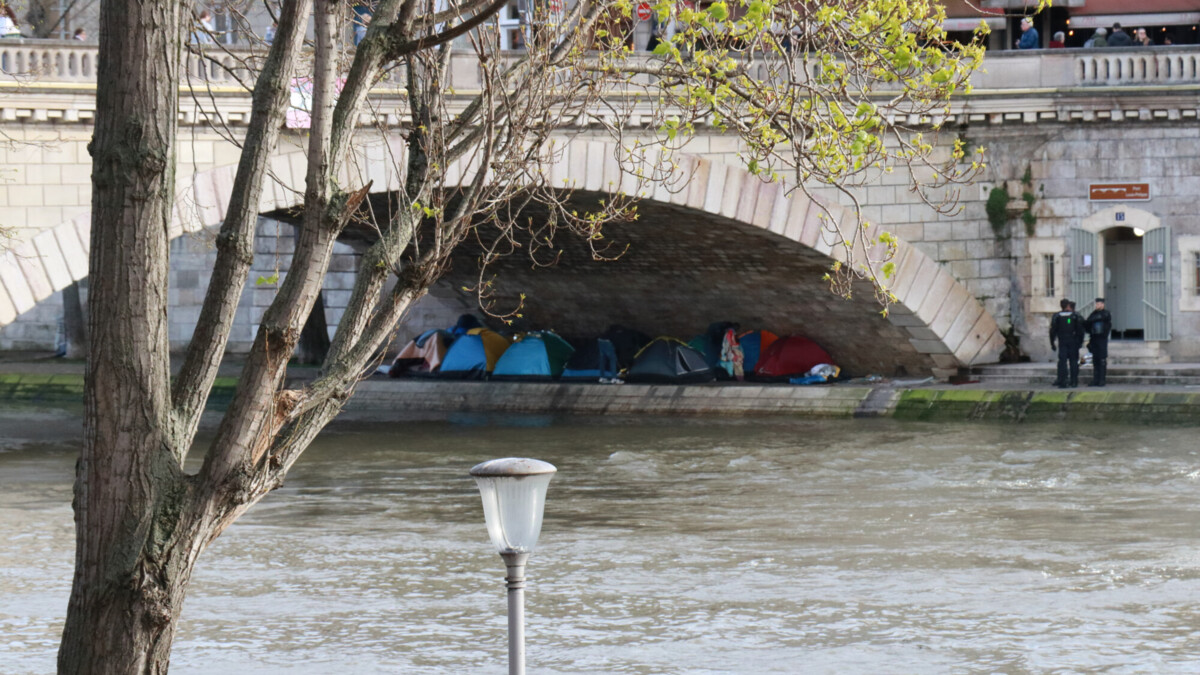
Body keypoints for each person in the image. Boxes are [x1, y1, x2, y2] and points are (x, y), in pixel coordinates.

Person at [1049, 298, 1085, 388]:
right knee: (1073, 361)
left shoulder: (1057, 316)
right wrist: (1080, 341)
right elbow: (1080, 329)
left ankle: (1063, 381)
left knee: (1062, 362)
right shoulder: (1074, 316)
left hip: (1063, 341)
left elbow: (1052, 330)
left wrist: (1052, 342)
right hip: (1073, 341)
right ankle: (1074, 381)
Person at [1085, 298, 1112, 387]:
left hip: (1102, 339)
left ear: (1103, 305)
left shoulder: (1106, 313)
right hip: (1094, 339)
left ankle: (1102, 380)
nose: (1097, 306)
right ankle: (1096, 379)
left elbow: (1100, 318)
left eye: (1099, 304)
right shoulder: (1093, 313)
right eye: (1096, 304)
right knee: (1095, 360)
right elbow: (1088, 323)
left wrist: (1091, 320)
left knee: (1102, 360)